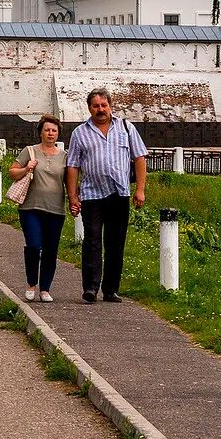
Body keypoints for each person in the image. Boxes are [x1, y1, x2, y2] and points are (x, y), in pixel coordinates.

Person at [64, 89, 147, 304]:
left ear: (110, 105)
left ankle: (111, 289)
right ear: (89, 108)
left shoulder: (126, 128)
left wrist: (140, 189)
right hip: (92, 194)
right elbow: (72, 166)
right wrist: (73, 196)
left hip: (119, 194)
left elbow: (139, 158)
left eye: (104, 105)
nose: (100, 110)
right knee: (91, 240)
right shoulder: (80, 133)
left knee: (115, 242)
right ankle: (90, 288)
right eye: (96, 106)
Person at [9, 115, 67, 303]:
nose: (50, 133)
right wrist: (26, 169)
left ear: (58, 134)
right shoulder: (30, 151)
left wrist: (75, 199)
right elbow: (12, 172)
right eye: (47, 130)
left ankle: (45, 289)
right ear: (41, 132)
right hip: (31, 208)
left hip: (56, 210)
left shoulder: (64, 156)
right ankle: (31, 283)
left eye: (54, 130)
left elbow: (70, 180)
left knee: (51, 250)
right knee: (34, 246)